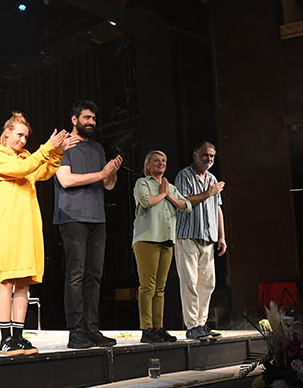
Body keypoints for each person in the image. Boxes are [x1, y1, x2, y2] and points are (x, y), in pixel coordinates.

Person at [0, 112, 79, 355]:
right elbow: (22, 169)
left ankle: (18, 337)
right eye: (19, 135)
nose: (23, 140)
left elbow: (42, 172)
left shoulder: (26, 157)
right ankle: (5, 338)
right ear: (7, 133)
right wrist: (47, 147)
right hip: (8, 227)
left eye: (26, 137)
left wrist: (57, 152)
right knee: (6, 281)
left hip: (28, 226)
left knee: (24, 282)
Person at [53, 100, 123, 349]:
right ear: (74, 120)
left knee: (94, 275)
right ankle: (76, 332)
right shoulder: (63, 146)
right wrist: (101, 174)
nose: (92, 122)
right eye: (86, 118)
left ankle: (92, 329)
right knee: (76, 274)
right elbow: (66, 180)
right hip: (72, 217)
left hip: (97, 218)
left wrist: (111, 171)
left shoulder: (97, 148)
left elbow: (108, 185)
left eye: (94, 118)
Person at [131, 150, 191, 343]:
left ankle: (158, 328)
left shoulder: (169, 187)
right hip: (147, 238)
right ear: (148, 166)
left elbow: (187, 206)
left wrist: (168, 195)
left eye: (163, 160)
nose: (161, 163)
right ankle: (146, 329)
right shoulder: (143, 183)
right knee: (147, 286)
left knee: (160, 288)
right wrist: (163, 194)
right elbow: (146, 201)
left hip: (166, 239)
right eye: (156, 160)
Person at [174, 141, 226, 341]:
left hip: (208, 238)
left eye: (212, 156)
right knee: (190, 283)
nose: (209, 159)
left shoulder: (212, 178)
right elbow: (183, 203)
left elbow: (218, 208)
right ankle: (192, 325)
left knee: (208, 283)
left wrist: (222, 236)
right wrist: (208, 193)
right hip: (188, 235)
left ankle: (202, 324)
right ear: (195, 155)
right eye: (205, 155)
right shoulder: (184, 175)